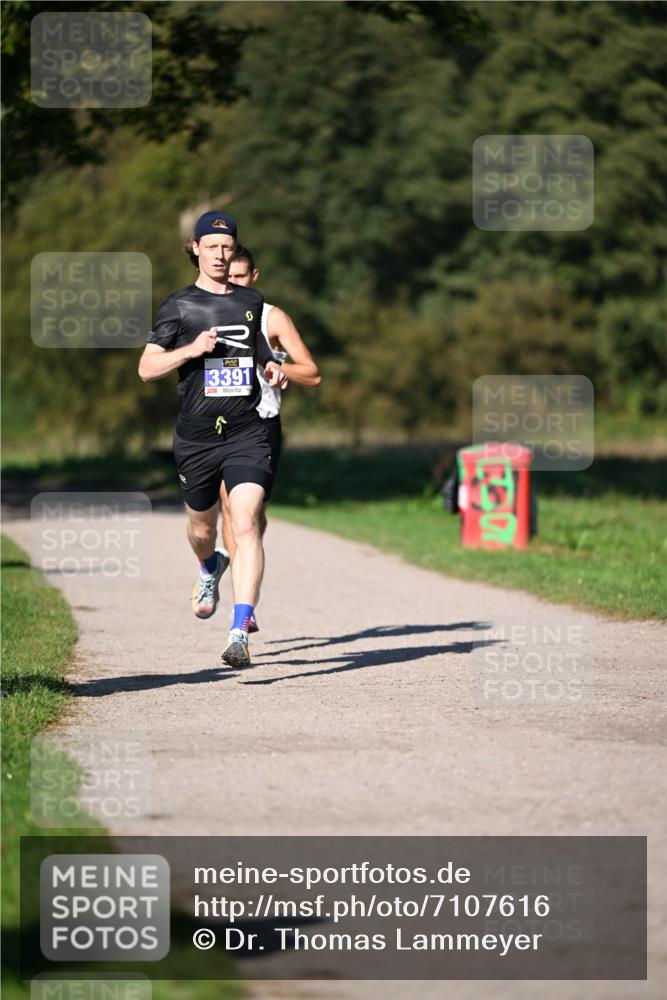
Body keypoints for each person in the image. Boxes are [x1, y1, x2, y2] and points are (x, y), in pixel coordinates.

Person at [138, 211, 287, 667]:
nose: (221, 255)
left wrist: (272, 367)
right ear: (196, 249)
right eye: (212, 246)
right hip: (197, 436)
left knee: (245, 523)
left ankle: (239, 631)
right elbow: (147, 368)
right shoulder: (177, 306)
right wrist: (192, 349)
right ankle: (207, 568)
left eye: (228, 247)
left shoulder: (252, 300)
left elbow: (260, 353)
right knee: (203, 529)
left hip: (247, 429)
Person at [219, 244, 321, 632]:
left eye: (240, 277)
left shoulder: (272, 317)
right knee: (230, 514)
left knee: (252, 516)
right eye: (227, 276)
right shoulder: (203, 310)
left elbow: (312, 373)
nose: (232, 283)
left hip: (261, 424)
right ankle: (238, 601)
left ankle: (244, 591)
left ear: (254, 277)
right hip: (218, 425)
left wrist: (277, 366)